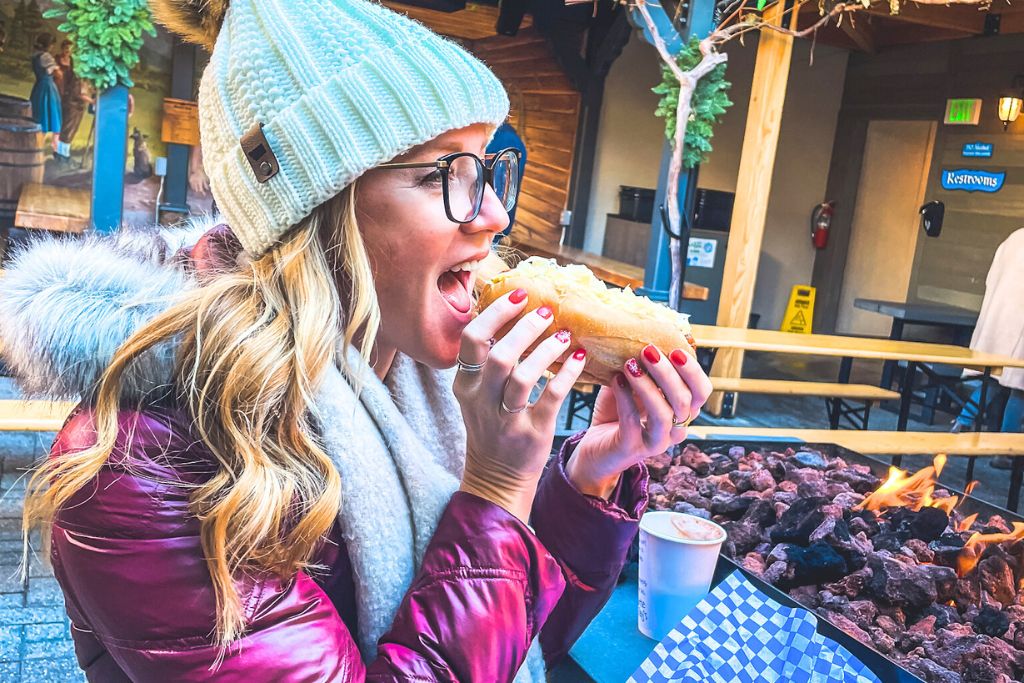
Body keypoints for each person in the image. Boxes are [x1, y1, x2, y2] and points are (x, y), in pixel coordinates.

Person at [0, 1, 713, 681]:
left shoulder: (409, 375)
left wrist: (585, 478)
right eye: (451, 173)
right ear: (322, 209)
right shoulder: (145, 469)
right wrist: (496, 489)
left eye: (491, 168)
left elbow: (514, 649)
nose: (494, 212)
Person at [952, 228, 1024, 468]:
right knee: (1020, 387)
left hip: (1001, 317)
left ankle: (962, 424)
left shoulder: (1014, 237)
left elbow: (991, 278)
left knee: (992, 377)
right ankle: (1003, 451)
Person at [55, 39, 92, 161]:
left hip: (74, 104)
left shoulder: (80, 74)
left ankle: (62, 154)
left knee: (69, 130)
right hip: (73, 104)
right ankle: (63, 155)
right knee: (68, 130)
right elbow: (79, 93)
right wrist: (93, 101)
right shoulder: (78, 76)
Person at [29, 32, 61, 153]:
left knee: (40, 114)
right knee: (52, 114)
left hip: (39, 87)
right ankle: (53, 146)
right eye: (52, 44)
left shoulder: (35, 55)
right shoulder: (46, 57)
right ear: (48, 45)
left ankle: (40, 145)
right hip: (47, 87)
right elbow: (58, 74)